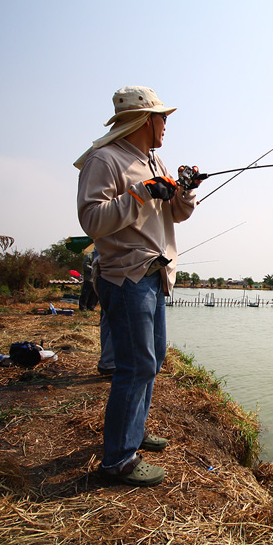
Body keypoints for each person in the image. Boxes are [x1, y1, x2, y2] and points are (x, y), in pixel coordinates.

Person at [75, 86, 200, 487]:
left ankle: (133, 432)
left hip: (153, 274)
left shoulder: (152, 159)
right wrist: (142, 192)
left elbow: (174, 216)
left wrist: (183, 192)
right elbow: (92, 221)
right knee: (135, 365)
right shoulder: (105, 160)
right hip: (125, 276)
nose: (166, 125)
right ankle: (118, 461)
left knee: (154, 357)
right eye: (163, 118)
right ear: (146, 120)